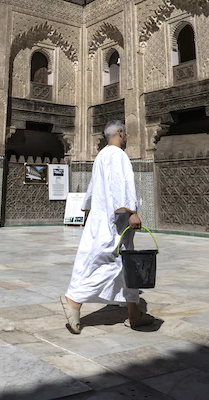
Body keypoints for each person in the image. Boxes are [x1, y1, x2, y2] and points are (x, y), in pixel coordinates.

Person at [61, 120, 155, 334]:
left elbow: (93, 187)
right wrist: (132, 211)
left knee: (125, 264)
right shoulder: (117, 155)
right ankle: (74, 299)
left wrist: (86, 211)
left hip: (101, 218)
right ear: (120, 133)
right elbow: (119, 184)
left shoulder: (101, 155)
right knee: (109, 264)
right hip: (114, 221)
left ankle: (134, 314)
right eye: (126, 134)